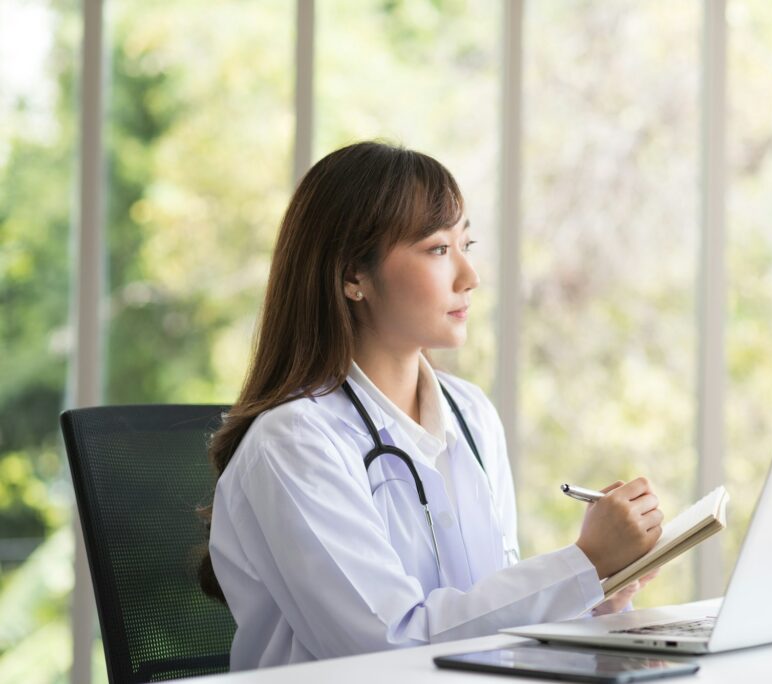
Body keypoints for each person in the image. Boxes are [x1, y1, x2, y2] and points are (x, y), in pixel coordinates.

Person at [199, 141, 663, 670]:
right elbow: (389, 648)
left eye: (466, 244)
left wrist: (598, 591)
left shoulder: (472, 414)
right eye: (438, 249)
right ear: (354, 275)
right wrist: (583, 561)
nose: (470, 276)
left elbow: (484, 619)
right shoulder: (293, 444)